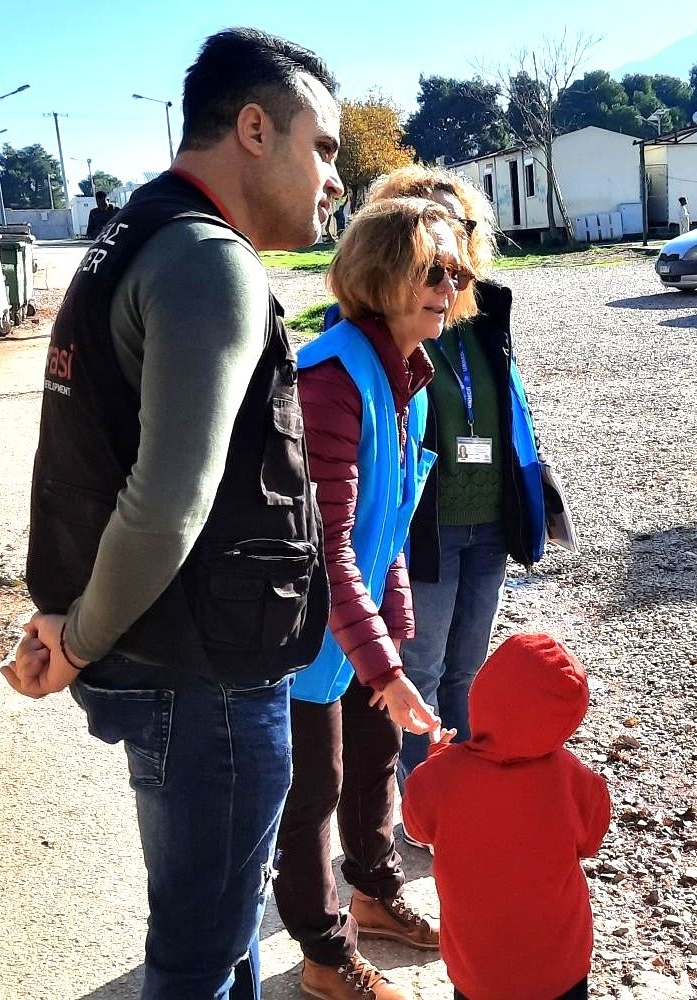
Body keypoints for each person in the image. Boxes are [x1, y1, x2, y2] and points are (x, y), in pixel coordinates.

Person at [3, 27, 342, 1000]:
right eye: (319, 145)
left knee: (218, 931)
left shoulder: (132, 237)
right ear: (251, 127)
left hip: (170, 665)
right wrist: (75, 637)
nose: (330, 177)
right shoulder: (207, 263)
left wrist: (77, 622)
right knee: (193, 962)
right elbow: (164, 502)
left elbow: (97, 459)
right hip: (209, 684)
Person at [273, 197, 478, 1000]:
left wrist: (389, 650)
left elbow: (383, 533)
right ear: (379, 273)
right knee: (312, 793)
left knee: (375, 765)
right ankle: (325, 957)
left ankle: (376, 894)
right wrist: (385, 665)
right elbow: (327, 547)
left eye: (455, 271)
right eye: (432, 270)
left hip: (355, 633)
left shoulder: (411, 384)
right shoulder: (331, 379)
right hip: (302, 634)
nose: (449, 286)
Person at [368, 165, 548, 793]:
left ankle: (463, 792)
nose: (450, 242)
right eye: (431, 225)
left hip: (489, 515)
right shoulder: (380, 317)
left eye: (461, 227)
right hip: (426, 523)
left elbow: (508, 403)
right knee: (421, 662)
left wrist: (532, 484)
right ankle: (422, 798)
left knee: (468, 667)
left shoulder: (488, 308)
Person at [402, 634, 611, 1000]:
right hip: (560, 967)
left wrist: (436, 757)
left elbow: (417, 827)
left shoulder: (440, 777)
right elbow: (591, 840)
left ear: (481, 693)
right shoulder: (573, 777)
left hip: (478, 971)